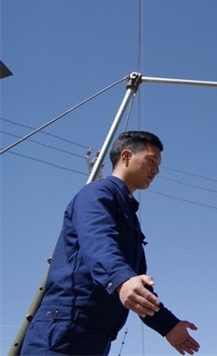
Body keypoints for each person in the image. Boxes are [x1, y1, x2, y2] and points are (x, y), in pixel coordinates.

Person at [20, 131, 199, 355]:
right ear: (125, 157)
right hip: (62, 332)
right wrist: (121, 279)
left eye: (159, 165)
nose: (156, 170)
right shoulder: (95, 195)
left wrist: (168, 325)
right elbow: (98, 241)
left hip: (97, 339)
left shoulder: (130, 216)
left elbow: (135, 287)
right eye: (151, 161)